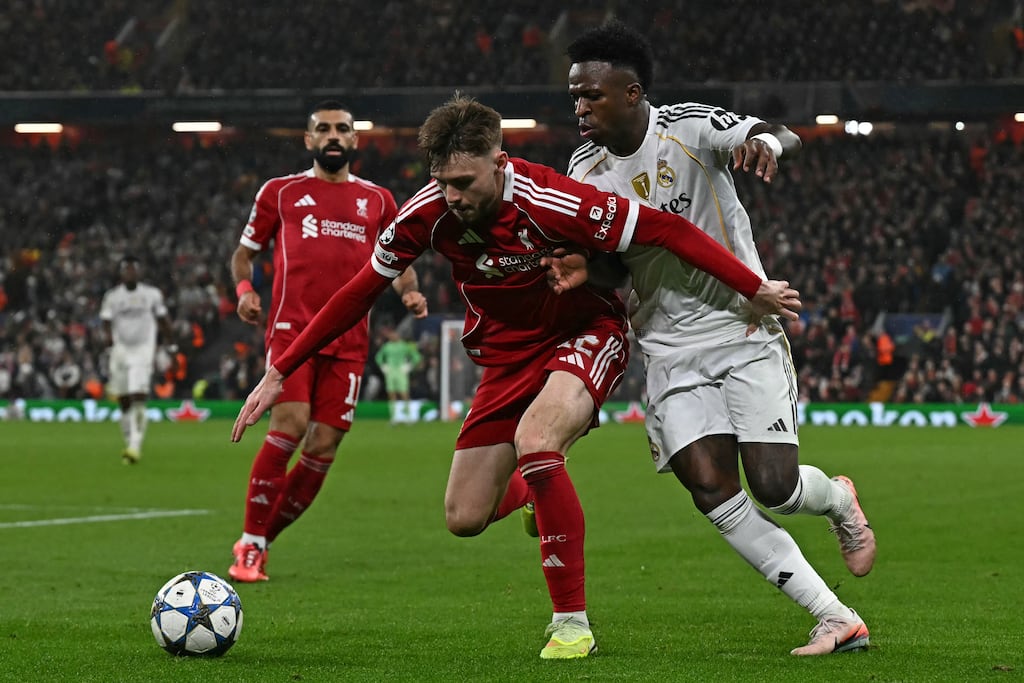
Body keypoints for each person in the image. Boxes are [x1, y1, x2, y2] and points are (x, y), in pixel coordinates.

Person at [232, 93, 801, 659]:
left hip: (583, 334)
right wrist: (280, 370)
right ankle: (534, 488)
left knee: (538, 441)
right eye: (443, 182)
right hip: (505, 358)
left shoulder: (554, 198)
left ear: (499, 163)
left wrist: (753, 286)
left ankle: (571, 624)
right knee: (464, 517)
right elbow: (360, 291)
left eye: (463, 182)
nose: (451, 196)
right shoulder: (427, 212)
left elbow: (666, 231)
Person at [552, 20, 876, 656]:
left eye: (590, 94)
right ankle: (835, 616)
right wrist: (589, 265)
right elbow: (617, 263)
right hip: (667, 345)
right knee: (709, 485)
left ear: (632, 92)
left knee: (776, 488)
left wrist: (769, 145)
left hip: (741, 325)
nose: (580, 107)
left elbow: (772, 133)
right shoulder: (584, 168)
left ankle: (837, 500)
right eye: (574, 97)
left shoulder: (690, 128)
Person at [228, 100, 428, 583]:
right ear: (308, 140)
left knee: (325, 445)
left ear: (355, 140)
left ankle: (259, 541)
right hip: (292, 331)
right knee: (291, 424)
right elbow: (243, 255)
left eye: (343, 129)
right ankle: (250, 545)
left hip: (350, 339)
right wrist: (245, 290)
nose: (333, 136)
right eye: (323, 129)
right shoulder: (280, 192)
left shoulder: (378, 200)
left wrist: (411, 291)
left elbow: (397, 261)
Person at [99, 255, 174, 464]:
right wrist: (107, 339)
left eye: (134, 269)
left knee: (138, 396)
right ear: (122, 273)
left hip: (143, 350)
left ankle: (135, 446)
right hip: (120, 351)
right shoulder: (112, 297)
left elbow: (163, 320)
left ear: (139, 273)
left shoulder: (151, 295)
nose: (130, 273)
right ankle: (129, 440)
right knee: (123, 401)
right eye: (127, 270)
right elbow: (105, 321)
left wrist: (172, 344)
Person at [374, 324, 423, 424]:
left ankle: (408, 416)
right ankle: (394, 416)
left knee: (404, 393)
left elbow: (416, 357)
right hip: (391, 371)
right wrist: (383, 366)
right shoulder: (387, 346)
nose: (393, 336)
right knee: (391, 393)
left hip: (401, 371)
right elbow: (378, 357)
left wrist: (409, 366)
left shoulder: (404, 346)